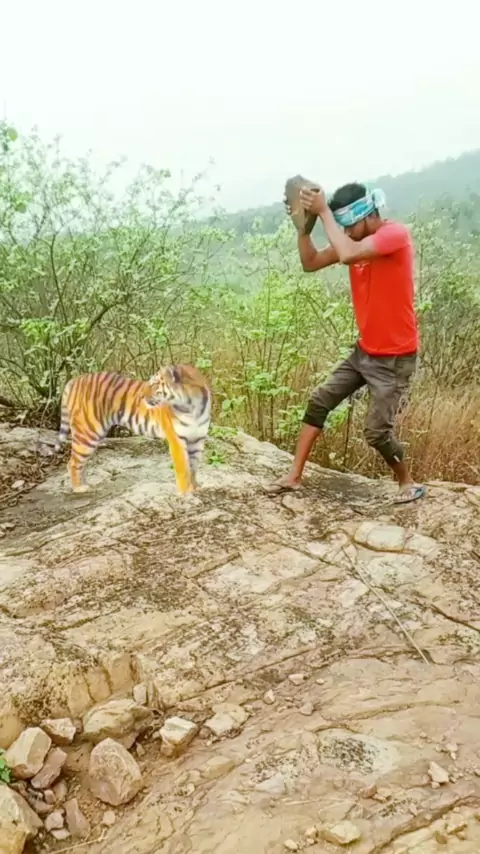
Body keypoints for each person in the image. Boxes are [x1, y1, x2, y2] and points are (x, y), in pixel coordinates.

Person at [267, 181, 425, 504]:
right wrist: (304, 229)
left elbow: (349, 254)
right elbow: (310, 263)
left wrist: (324, 211)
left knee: (376, 432)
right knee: (319, 401)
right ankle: (293, 477)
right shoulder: (352, 241)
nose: (347, 232)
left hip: (394, 359)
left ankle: (407, 482)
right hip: (364, 351)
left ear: (366, 214)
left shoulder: (395, 235)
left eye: (349, 225)